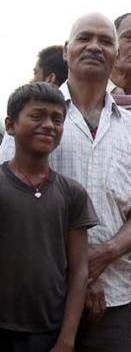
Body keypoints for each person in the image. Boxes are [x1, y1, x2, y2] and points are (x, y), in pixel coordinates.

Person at [0, 13, 131, 352]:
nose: (94, 47)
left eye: (105, 41)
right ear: (67, 50)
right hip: (39, 297)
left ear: (117, 55)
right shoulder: (37, 116)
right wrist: (77, 270)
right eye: (84, 38)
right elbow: (14, 198)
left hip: (115, 296)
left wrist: (99, 259)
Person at [0, 82, 98, 352]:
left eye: (57, 119)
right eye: (37, 116)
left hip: (49, 332)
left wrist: (67, 339)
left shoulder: (72, 194)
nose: (48, 125)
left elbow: (79, 271)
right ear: (10, 125)